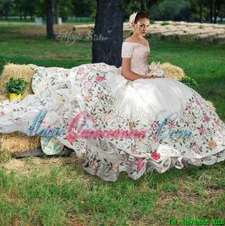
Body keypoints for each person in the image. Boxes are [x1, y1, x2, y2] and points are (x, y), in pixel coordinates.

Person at [0, 12, 225, 182]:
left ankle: (197, 139)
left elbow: (142, 66)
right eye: (141, 26)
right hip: (129, 80)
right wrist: (146, 79)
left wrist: (153, 74)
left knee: (177, 93)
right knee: (135, 105)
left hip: (142, 77)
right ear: (132, 25)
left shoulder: (144, 42)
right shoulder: (128, 43)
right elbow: (127, 72)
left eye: (147, 26)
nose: (145, 29)